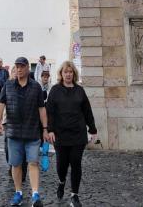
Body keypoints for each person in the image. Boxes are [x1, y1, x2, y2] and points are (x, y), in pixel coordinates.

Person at [0, 57, 48, 207]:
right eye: (16, 66)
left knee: (33, 162)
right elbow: (0, 105)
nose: (18, 69)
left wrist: (45, 129)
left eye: (21, 66)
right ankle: (18, 192)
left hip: (32, 132)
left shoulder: (36, 87)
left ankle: (35, 195)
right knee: (16, 164)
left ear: (27, 68)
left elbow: (41, 109)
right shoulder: (8, 85)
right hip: (13, 133)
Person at [47, 61, 97, 207]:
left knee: (76, 163)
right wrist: (49, 130)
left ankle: (74, 195)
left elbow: (87, 111)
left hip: (78, 134)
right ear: (61, 74)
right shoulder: (55, 90)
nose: (68, 74)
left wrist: (92, 130)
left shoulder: (80, 91)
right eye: (65, 72)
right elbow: (49, 112)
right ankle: (61, 181)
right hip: (60, 135)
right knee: (62, 165)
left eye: (70, 72)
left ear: (74, 74)